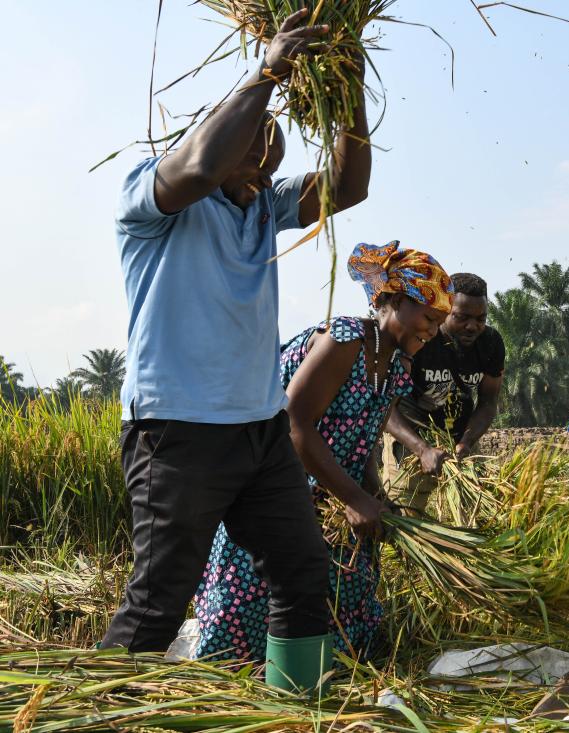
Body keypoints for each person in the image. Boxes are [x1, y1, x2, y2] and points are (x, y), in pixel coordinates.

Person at [102, 9, 372, 692]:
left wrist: (348, 87)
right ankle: (90, 707)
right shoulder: (152, 195)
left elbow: (348, 186)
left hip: (258, 432)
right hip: (179, 431)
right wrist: (270, 67)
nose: (262, 169)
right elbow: (196, 164)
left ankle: (291, 702)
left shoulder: (259, 206)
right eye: (253, 154)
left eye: (269, 160)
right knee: (159, 600)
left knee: (303, 571)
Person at [194, 242, 453, 666]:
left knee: (339, 611)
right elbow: (294, 423)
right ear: (397, 300)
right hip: (278, 488)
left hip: (331, 492)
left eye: (439, 323)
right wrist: (353, 498)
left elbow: (363, 436)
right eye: (428, 317)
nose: (432, 331)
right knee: (254, 611)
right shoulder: (346, 339)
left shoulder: (397, 366)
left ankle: (315, 683)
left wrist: (373, 493)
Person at [383, 273, 505, 515]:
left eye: (481, 319)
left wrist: (467, 443)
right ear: (445, 309)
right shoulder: (420, 338)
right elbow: (386, 408)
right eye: (462, 317)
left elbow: (489, 401)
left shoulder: (490, 343)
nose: (473, 326)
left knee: (479, 512)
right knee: (405, 513)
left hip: (459, 434)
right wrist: (422, 449)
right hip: (412, 432)